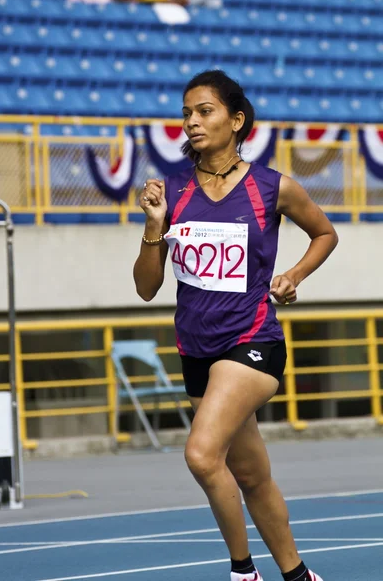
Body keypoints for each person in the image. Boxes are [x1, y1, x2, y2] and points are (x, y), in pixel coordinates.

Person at [133, 70, 338, 581]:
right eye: (186, 113)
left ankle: (243, 573)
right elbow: (144, 287)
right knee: (251, 475)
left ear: (236, 119)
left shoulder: (274, 187)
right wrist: (154, 228)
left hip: (252, 342)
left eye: (204, 111)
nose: (192, 122)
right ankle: (299, 576)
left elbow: (325, 233)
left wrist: (292, 275)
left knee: (202, 456)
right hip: (197, 352)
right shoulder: (171, 191)